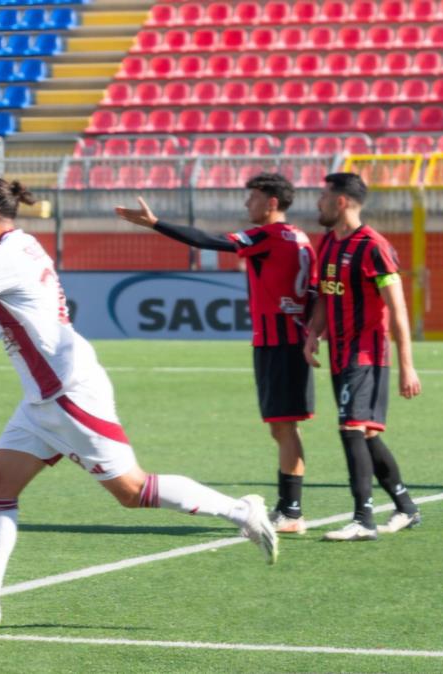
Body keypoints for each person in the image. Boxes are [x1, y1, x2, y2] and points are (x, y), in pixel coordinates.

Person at [0, 178, 278, 632]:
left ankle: (242, 512)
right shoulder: (16, 246)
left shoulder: (8, 256)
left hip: (69, 392)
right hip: (43, 397)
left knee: (131, 492)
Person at [115, 173, 317, 535]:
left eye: (252, 197)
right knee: (281, 427)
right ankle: (289, 509)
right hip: (287, 340)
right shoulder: (300, 237)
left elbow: (211, 241)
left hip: (280, 342)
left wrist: (158, 224)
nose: (246, 204)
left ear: (272, 202)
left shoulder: (269, 236)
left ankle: (291, 513)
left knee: (285, 427)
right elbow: (313, 291)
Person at [304, 173, 422, 541]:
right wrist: (312, 333)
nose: (318, 203)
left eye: (324, 197)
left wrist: (407, 365)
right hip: (340, 352)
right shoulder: (327, 244)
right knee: (367, 433)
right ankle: (405, 508)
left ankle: (363, 520)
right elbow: (326, 295)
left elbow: (398, 311)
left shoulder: (374, 246)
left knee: (351, 429)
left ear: (341, 202)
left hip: (367, 353)